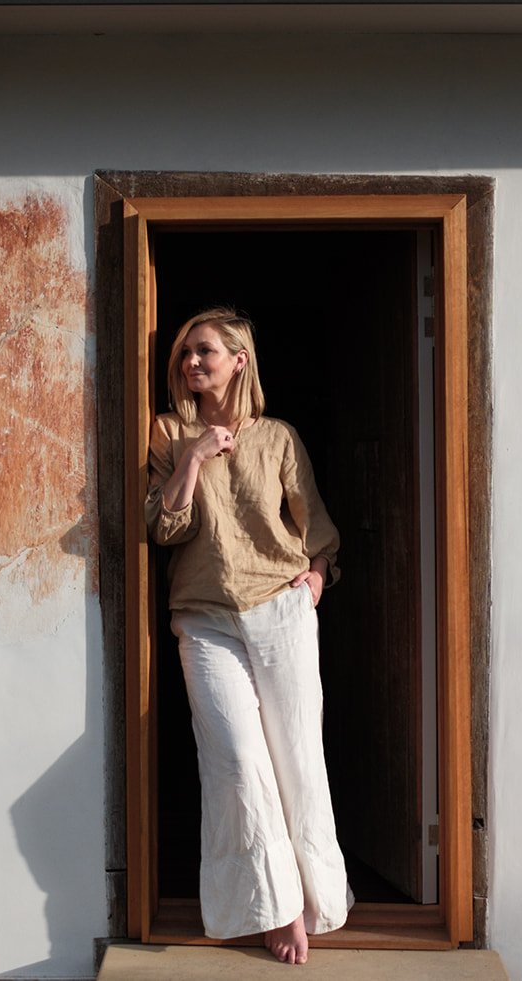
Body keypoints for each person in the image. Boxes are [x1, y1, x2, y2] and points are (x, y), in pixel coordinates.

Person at [145, 307, 353, 965]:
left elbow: (313, 521)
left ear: (239, 358)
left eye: (203, 350)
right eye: (183, 353)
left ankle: (318, 898)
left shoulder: (278, 437)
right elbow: (163, 528)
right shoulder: (169, 432)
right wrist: (196, 457)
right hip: (205, 617)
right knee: (236, 758)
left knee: (296, 754)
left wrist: (316, 578)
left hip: (279, 610)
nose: (189, 362)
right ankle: (276, 905)